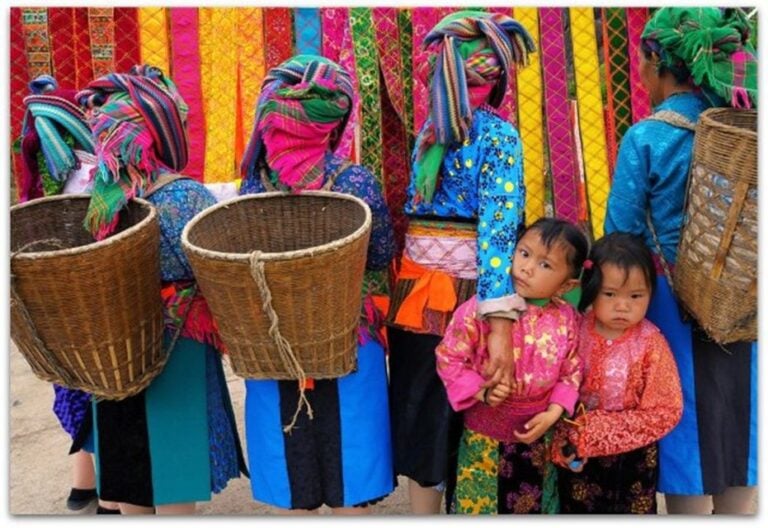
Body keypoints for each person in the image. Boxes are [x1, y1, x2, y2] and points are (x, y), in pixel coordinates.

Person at [605, 7, 757, 514]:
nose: (641, 75)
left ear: (656, 60)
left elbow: (621, 237)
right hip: (740, 295)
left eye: (642, 63)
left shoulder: (647, 137)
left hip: (671, 299)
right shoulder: (746, 132)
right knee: (740, 418)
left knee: (682, 417)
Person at [76, 65, 247, 514]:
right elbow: (220, 269)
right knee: (174, 472)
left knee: (131, 477)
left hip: (113, 348)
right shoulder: (185, 197)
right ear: (159, 131)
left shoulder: (100, 201)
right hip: (177, 348)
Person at [384, 10, 536, 513]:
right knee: (465, 416)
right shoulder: (495, 136)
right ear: (496, 78)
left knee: (423, 411)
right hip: (467, 299)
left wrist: (495, 321)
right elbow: (499, 234)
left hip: (421, 297)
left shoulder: (433, 131)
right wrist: (500, 324)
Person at [238, 55, 395, 514]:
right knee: (351, 471)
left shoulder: (253, 187)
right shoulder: (356, 184)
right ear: (334, 120)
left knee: (294, 473)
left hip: (274, 339)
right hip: (347, 333)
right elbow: (382, 253)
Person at [436, 217, 588, 514]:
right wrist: (481, 391)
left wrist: (554, 413)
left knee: (534, 506)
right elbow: (449, 356)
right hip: (483, 437)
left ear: (567, 284)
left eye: (545, 265)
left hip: (538, 438)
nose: (527, 267)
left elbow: (572, 369)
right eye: (524, 253)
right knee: (480, 505)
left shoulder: (568, 319)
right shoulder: (481, 310)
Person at [18, 75, 119, 514]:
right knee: (103, 390)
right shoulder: (96, 178)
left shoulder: (40, 187)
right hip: (93, 307)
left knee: (73, 388)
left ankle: (83, 485)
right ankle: (112, 493)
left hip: (54, 311)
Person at [553, 232, 683, 513]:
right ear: (591, 289)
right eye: (610, 294)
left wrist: (600, 431)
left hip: (633, 461)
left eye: (636, 296)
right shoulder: (573, 331)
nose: (623, 306)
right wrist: (567, 436)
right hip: (579, 456)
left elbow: (667, 409)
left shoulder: (651, 343)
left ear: (650, 293)